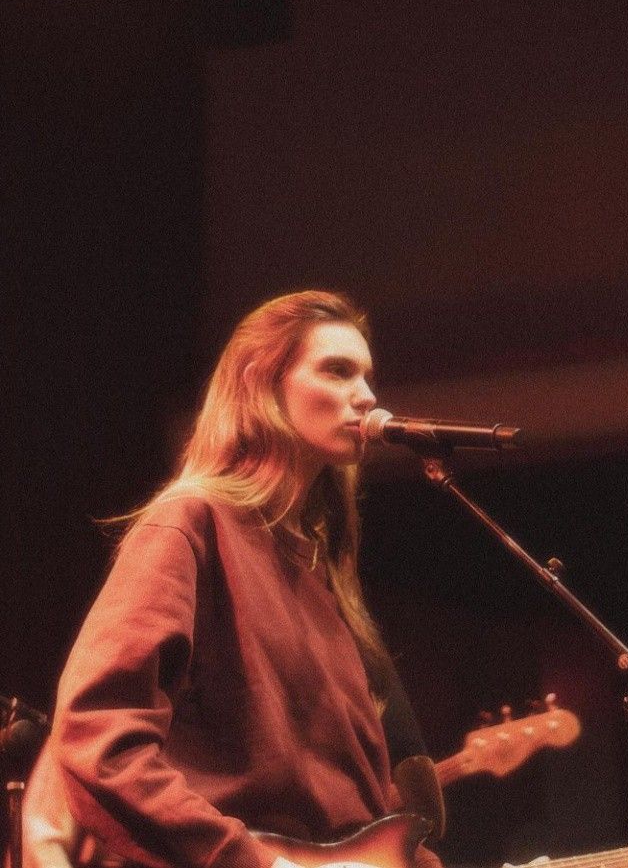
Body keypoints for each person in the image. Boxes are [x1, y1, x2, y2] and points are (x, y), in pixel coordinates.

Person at [44, 291, 442, 868]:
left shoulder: (320, 574)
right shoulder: (190, 523)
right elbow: (97, 737)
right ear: (263, 384)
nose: (368, 396)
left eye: (367, 375)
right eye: (337, 370)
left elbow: (359, 822)